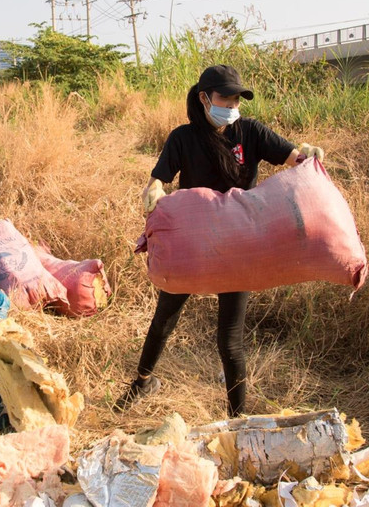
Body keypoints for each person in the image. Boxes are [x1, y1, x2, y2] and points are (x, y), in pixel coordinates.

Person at [114, 64, 324, 416]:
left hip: (238, 245)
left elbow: (292, 157)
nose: (231, 103)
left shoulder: (251, 132)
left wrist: (306, 153)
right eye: (224, 97)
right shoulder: (183, 138)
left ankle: (236, 417)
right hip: (192, 244)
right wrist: (154, 188)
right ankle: (142, 382)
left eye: (235, 97)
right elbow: (160, 178)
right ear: (204, 98)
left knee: (229, 339)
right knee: (164, 319)